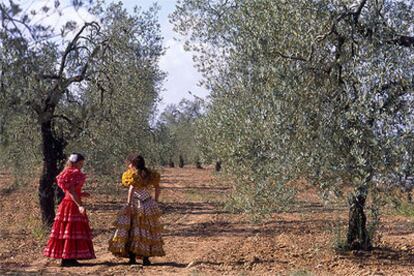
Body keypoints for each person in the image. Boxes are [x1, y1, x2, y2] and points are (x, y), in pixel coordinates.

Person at [109, 154, 165, 265]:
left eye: (129, 163)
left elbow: (131, 189)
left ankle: (132, 258)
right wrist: (156, 200)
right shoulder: (150, 174)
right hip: (148, 203)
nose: (128, 165)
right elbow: (158, 187)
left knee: (132, 229)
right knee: (147, 230)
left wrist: (128, 204)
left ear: (133, 164)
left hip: (135, 204)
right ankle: (146, 258)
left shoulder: (132, 175)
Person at [43, 153, 95, 267]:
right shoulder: (73, 173)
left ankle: (68, 257)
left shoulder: (67, 172)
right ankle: (68, 258)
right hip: (71, 205)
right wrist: (79, 205)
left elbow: (71, 191)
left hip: (66, 204)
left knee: (67, 230)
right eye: (80, 163)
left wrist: (81, 193)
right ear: (74, 163)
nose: (81, 166)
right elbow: (71, 191)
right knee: (71, 229)